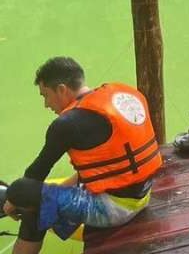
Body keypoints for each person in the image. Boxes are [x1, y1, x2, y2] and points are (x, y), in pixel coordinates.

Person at [3, 57, 162, 253]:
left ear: (61, 89)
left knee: (23, 193)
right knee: (40, 198)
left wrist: (13, 200)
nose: (46, 105)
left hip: (113, 210)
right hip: (143, 196)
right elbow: (105, 168)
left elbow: (35, 173)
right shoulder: (122, 96)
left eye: (45, 95)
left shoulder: (68, 123)